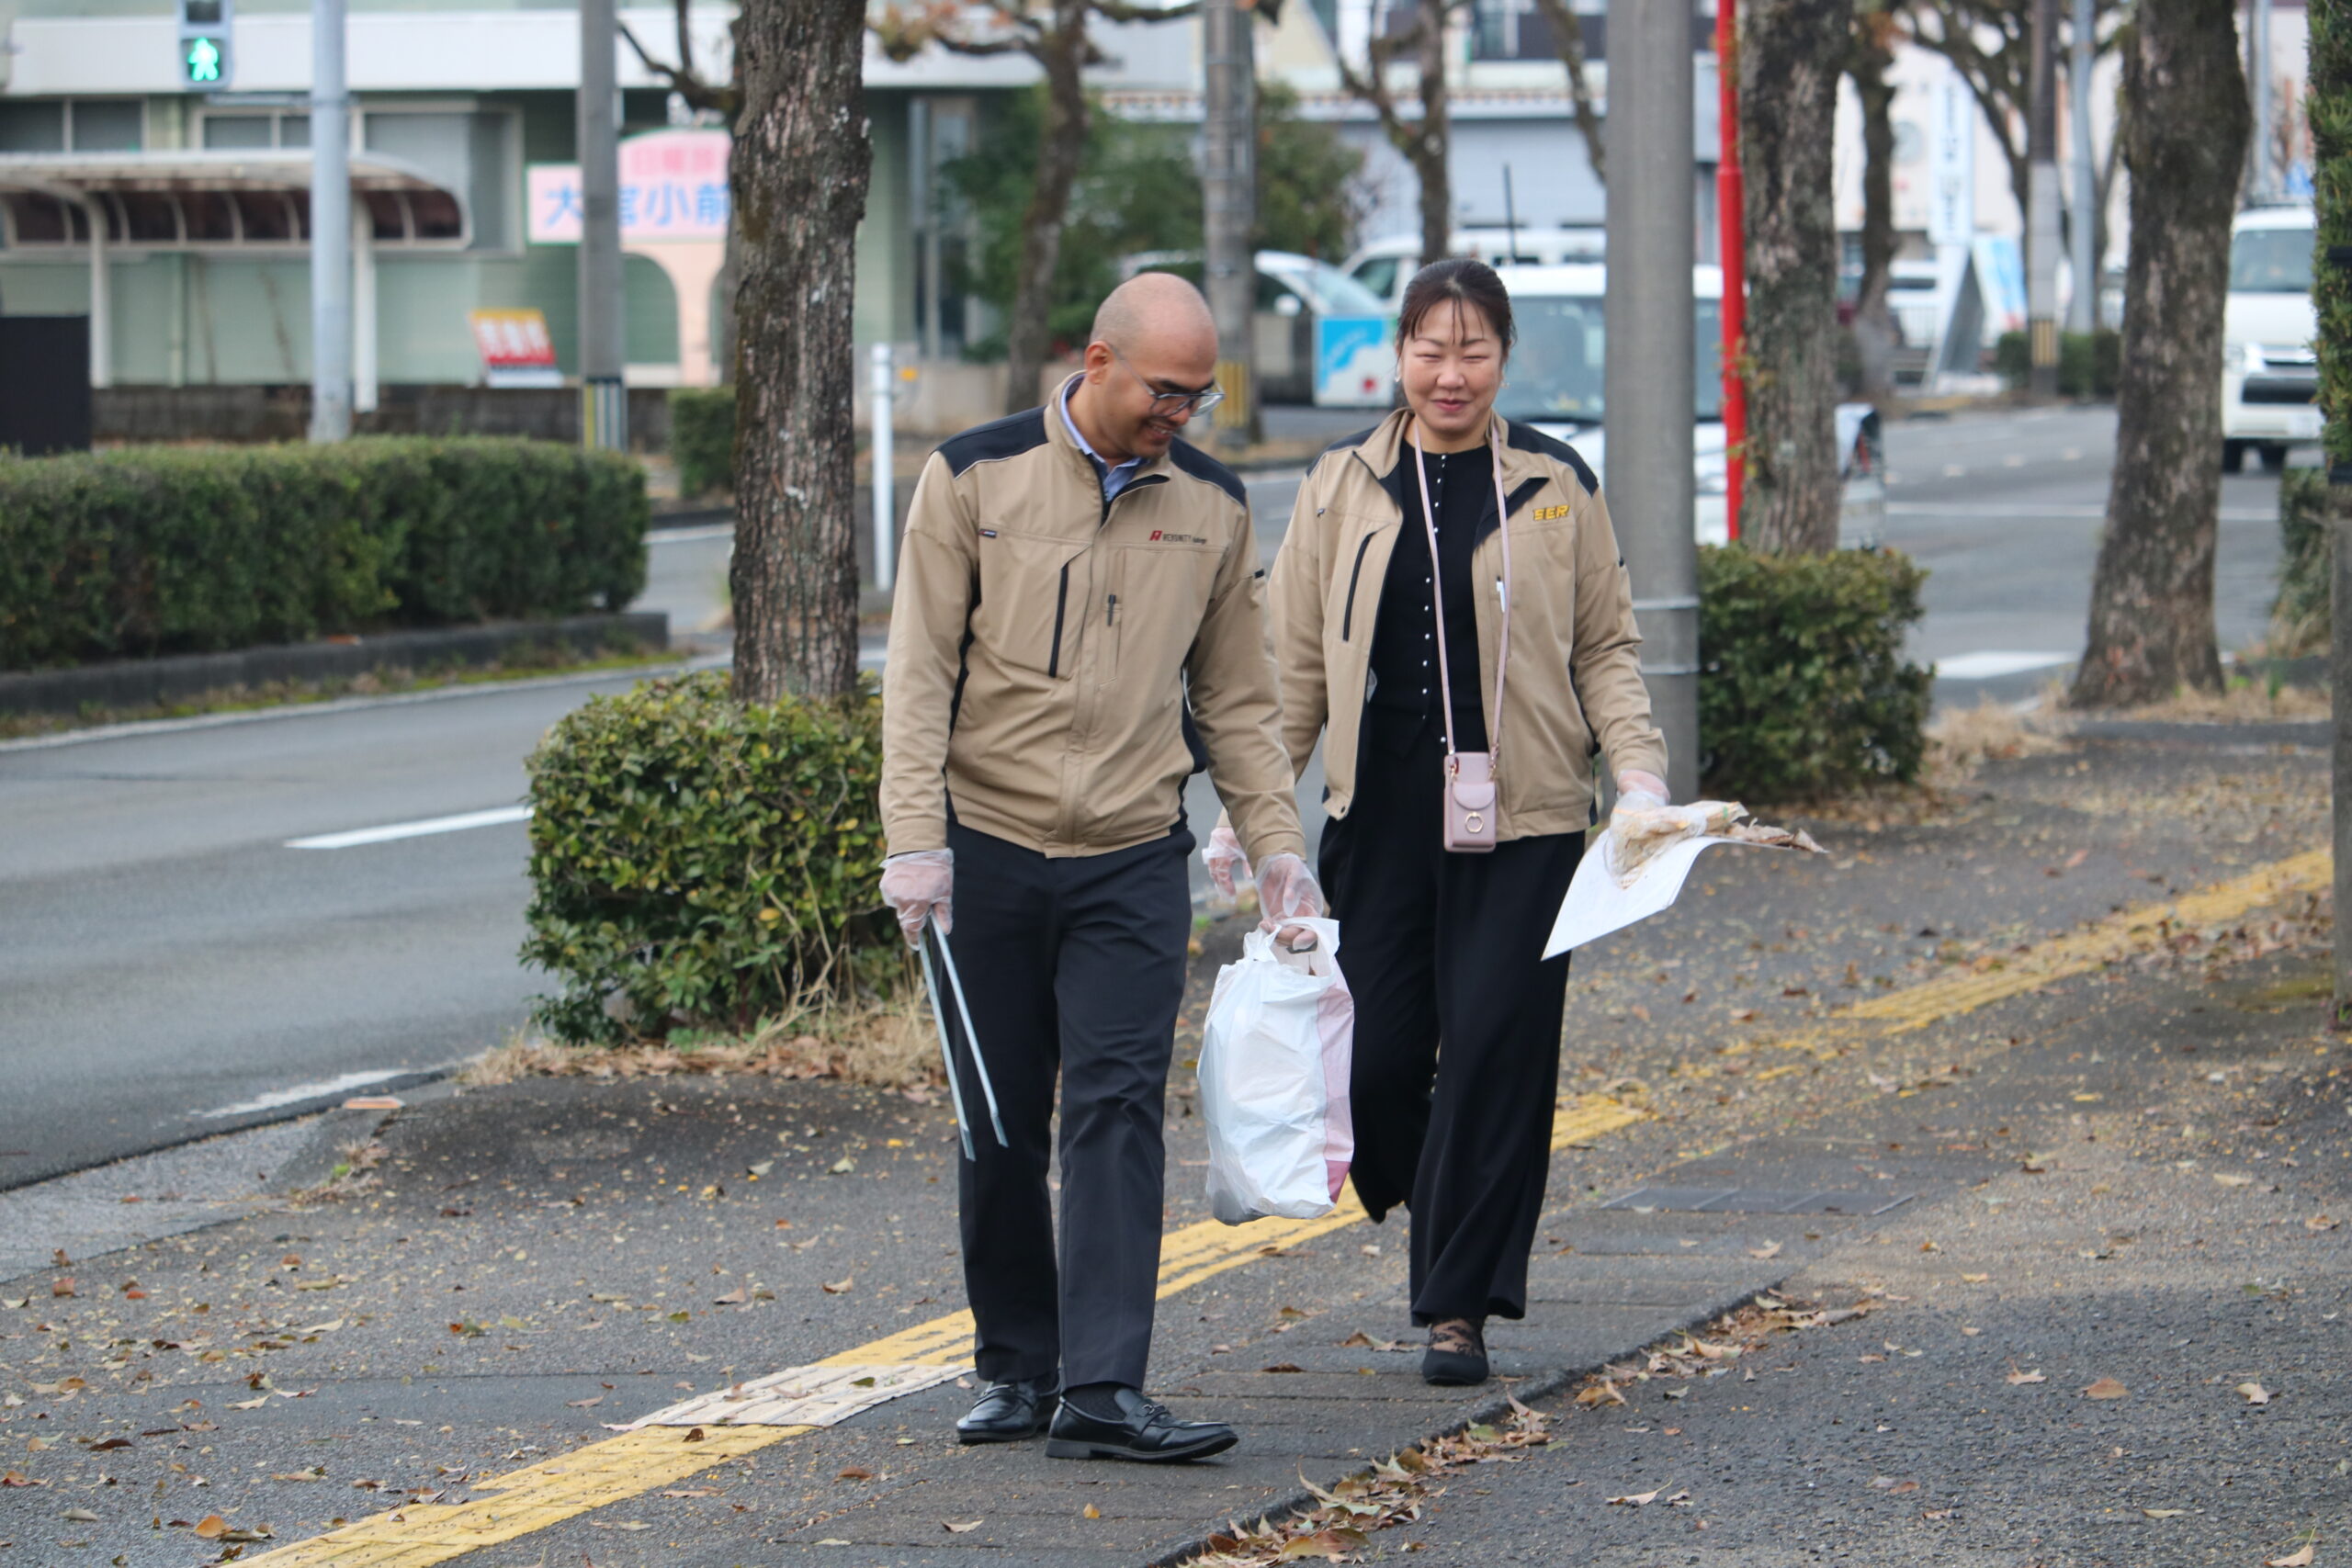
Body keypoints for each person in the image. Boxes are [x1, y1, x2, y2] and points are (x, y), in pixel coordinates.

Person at [878, 273, 1323, 1461]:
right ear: (1097, 361)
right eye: (1164, 389)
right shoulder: (973, 476)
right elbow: (919, 673)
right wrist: (914, 840)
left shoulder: (1213, 504)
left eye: (1198, 394)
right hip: (987, 846)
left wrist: (1278, 850)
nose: (1180, 411)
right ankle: (1017, 1368)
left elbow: (1236, 698)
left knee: (1118, 1109)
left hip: (1131, 854)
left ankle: (1104, 1388)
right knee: (998, 1119)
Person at [1207, 257, 1670, 1386]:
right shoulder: (1341, 482)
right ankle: (1447, 1200)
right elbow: (1290, 668)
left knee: (1495, 1056)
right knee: (1369, 1065)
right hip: (1381, 817)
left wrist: (1640, 776)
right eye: (1430, 349)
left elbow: (1604, 648)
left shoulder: (1555, 483)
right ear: (1399, 355)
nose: (1449, 373)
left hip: (1529, 819)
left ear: (1504, 357)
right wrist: (1249, 818)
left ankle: (1456, 1307)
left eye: (1472, 350)